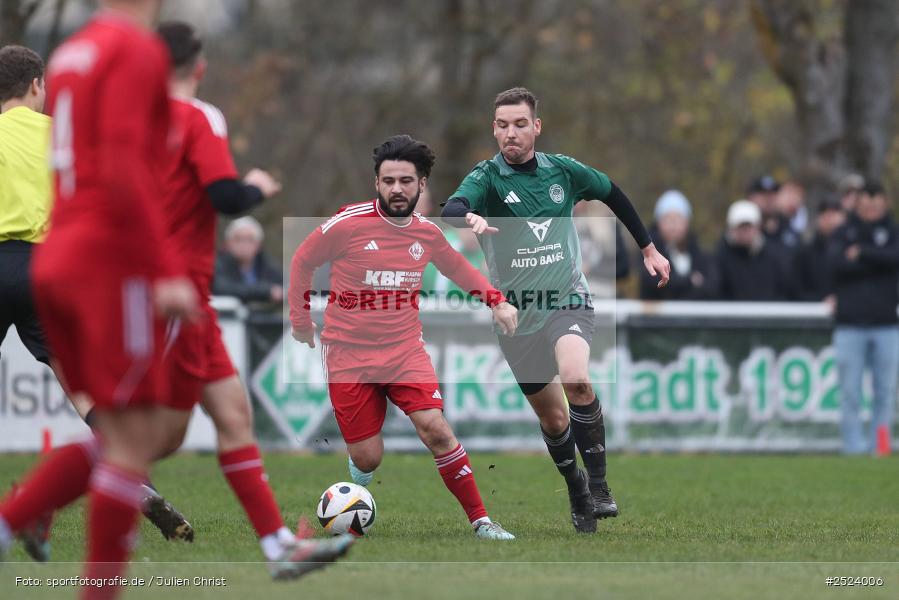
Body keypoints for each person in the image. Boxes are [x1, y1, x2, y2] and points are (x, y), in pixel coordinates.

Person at [0, 3, 200, 598]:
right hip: (51, 265)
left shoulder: (80, 58)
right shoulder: (65, 115)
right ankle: (118, 481)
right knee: (97, 398)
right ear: (38, 86)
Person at [149, 21, 352, 577]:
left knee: (234, 415)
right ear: (200, 66)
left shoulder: (129, 120)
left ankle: (278, 547)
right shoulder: (197, 116)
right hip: (172, 297)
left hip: (182, 296)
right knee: (150, 440)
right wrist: (258, 188)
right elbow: (225, 196)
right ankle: (31, 509)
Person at [441, 87, 670, 533]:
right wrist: (464, 217)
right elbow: (453, 207)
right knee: (554, 417)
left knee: (577, 377)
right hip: (516, 316)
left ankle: (601, 485)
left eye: (520, 124)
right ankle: (577, 487)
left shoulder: (563, 171)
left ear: (536, 127)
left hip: (567, 298)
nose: (511, 133)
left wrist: (649, 248)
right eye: (503, 125)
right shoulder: (487, 177)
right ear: (494, 129)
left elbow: (613, 193)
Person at [290, 135, 517, 541]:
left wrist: (497, 302)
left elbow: (459, 270)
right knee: (368, 456)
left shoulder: (427, 234)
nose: (397, 188)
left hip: (404, 351)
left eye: (406, 181)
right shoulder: (347, 223)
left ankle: (482, 521)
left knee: (436, 429)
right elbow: (302, 260)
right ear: (376, 183)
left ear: (422, 184)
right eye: (389, 180)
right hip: (348, 355)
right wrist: (301, 320)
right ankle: (355, 493)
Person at [829, 182, 899, 455]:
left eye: (875, 200)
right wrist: (878, 263)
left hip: (886, 325)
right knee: (849, 393)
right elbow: (836, 264)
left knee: (885, 392)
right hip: (850, 326)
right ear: (857, 203)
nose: (870, 206)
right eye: (865, 200)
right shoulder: (843, 232)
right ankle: (853, 450)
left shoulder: (893, 232)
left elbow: (895, 258)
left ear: (884, 202)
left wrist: (862, 254)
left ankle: (880, 447)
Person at [639, 190, 717, 300]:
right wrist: (689, 281)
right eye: (668, 219)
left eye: (678, 220)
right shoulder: (648, 252)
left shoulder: (699, 254)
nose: (673, 225)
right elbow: (651, 281)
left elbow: (711, 286)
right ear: (658, 222)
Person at [715, 200, 794, 301]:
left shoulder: (773, 259)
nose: (745, 231)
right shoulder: (720, 259)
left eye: (748, 226)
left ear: (758, 227)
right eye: (741, 227)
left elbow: (783, 290)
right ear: (731, 228)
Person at [212, 216, 284, 304]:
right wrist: (266, 292)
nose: (244, 245)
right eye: (238, 239)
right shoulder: (217, 264)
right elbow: (222, 288)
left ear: (259, 245)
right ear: (228, 243)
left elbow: (284, 288)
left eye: (250, 239)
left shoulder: (267, 264)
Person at [795, 197, 845, 302]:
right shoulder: (805, 252)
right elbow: (798, 289)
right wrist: (822, 300)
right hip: (814, 311)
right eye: (825, 214)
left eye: (834, 214)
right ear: (818, 218)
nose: (830, 219)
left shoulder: (850, 250)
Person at [747, 175, 801, 251]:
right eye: (763, 194)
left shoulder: (790, 231)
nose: (769, 199)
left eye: (773, 194)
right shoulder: (743, 230)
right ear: (751, 197)